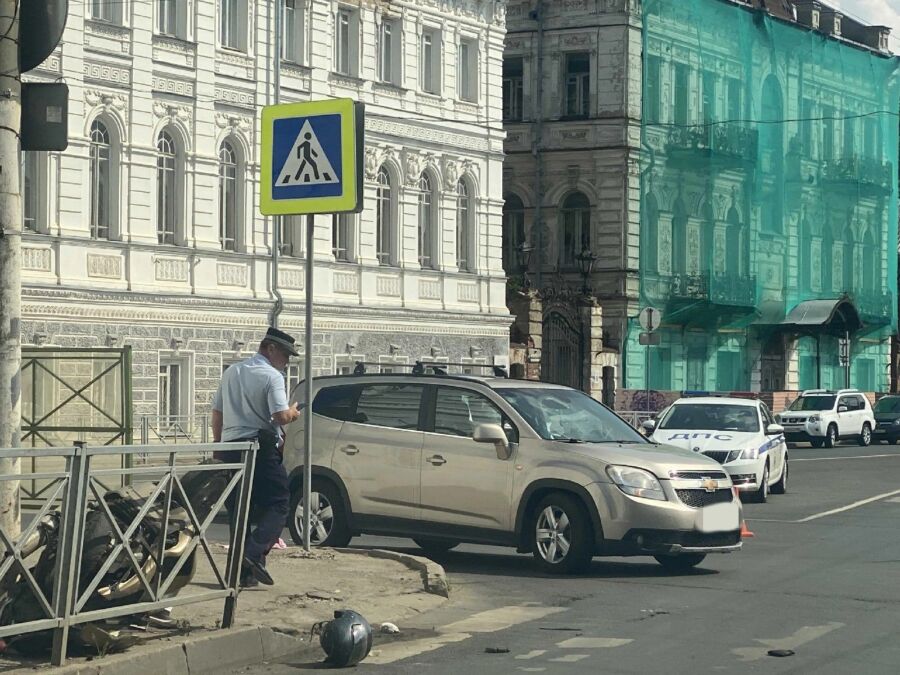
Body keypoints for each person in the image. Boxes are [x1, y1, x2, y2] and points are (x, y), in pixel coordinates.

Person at [212, 327, 301, 587]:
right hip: (259, 448)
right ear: (270, 348)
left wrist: (218, 446)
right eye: (285, 354)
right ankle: (251, 554)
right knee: (279, 504)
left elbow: (217, 413)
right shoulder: (271, 376)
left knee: (241, 510)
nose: (287, 361)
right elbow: (280, 417)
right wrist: (293, 413)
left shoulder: (232, 372)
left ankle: (240, 577)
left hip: (231, 447)